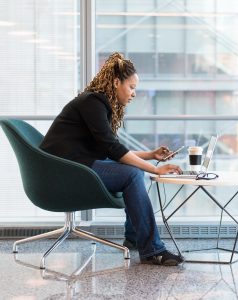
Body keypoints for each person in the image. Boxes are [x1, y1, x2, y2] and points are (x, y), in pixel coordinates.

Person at [40, 52, 184, 266]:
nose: (134, 93)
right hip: (62, 171)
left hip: (72, 166)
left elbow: (111, 149)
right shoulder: (93, 102)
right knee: (134, 173)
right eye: (131, 87)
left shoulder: (96, 103)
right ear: (117, 82)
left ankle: (135, 238)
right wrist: (155, 169)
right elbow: (113, 149)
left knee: (134, 170)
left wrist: (151, 155)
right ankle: (152, 249)